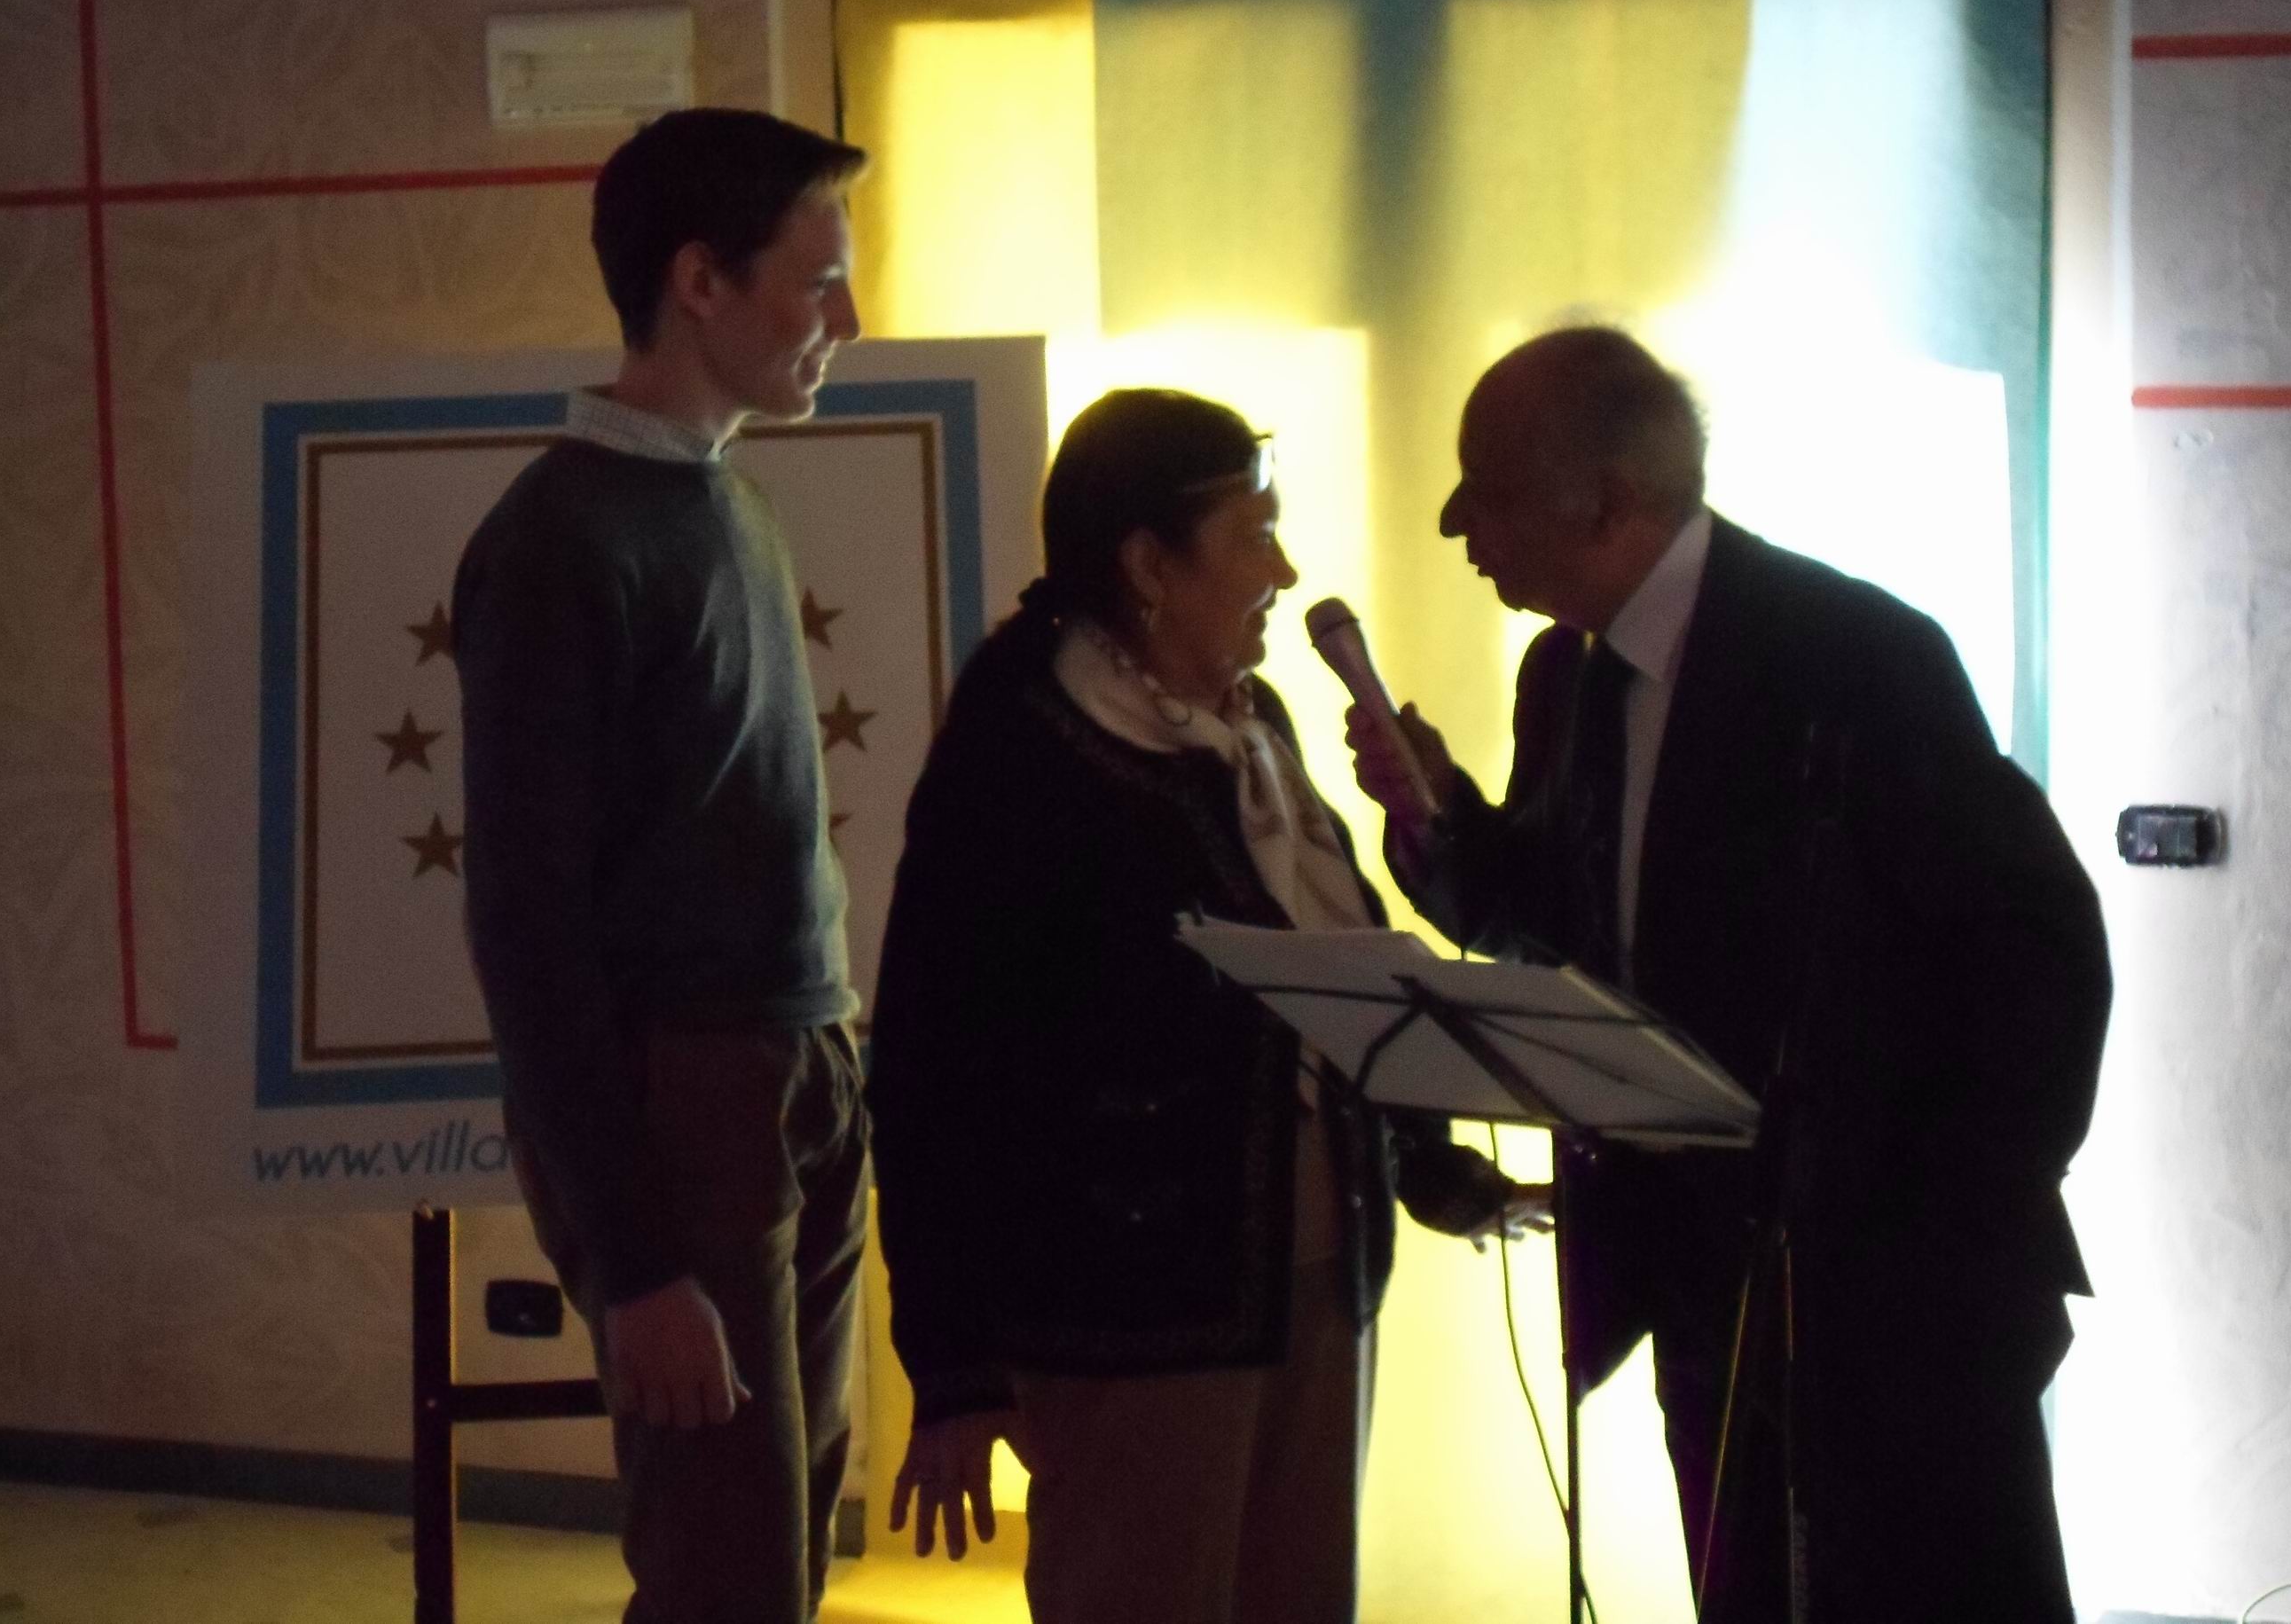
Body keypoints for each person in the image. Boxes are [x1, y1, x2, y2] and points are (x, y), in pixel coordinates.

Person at [1344, 326, 2112, 1622]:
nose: (1453, 523)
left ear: (1607, 502)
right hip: (1707, 1281)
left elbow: (2038, 954)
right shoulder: (1565, 676)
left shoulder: (1853, 656)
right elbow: (1564, 927)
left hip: (1899, 1296)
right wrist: (1440, 822)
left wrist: (1930, 1213)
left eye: (1490, 486)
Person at [870, 388, 1545, 1624]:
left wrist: (1432, 1161)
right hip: (1126, 1307)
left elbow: (1338, 979)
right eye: (1255, 537)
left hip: (1317, 1277)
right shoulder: (1023, 746)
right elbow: (931, 1061)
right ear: (1147, 564)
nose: (1286, 572)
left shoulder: (1256, 725)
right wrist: (952, 1364)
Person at [454, 106, 868, 1623]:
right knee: (723, 1570)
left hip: (802, 1061)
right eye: (816, 281)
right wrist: (632, 1260)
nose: (847, 321)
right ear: (699, 281)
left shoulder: (730, 501)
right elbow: (526, 924)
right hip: (688, 1096)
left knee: (787, 1541)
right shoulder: (558, 541)